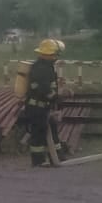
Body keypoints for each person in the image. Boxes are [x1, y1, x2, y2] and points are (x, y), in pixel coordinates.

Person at [23, 39, 67, 167]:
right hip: (37, 107)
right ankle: (38, 161)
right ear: (48, 54)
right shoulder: (41, 68)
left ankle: (57, 157)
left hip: (43, 106)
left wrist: (56, 98)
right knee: (39, 134)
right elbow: (44, 89)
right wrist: (55, 98)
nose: (55, 57)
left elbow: (49, 87)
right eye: (54, 54)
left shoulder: (46, 66)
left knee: (52, 129)